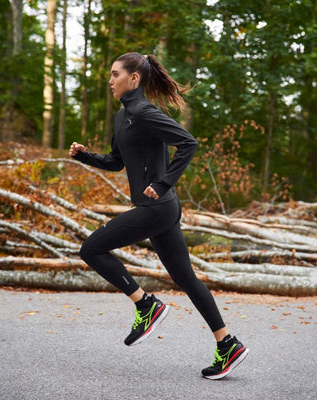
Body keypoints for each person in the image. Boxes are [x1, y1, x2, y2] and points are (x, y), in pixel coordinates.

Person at [69, 52, 249, 380]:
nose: (110, 80)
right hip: (159, 209)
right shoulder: (123, 117)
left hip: (157, 207)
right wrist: (86, 157)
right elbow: (116, 161)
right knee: (186, 278)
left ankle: (146, 305)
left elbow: (188, 143)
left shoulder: (144, 112)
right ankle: (228, 344)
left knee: (91, 249)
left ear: (133, 79)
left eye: (115, 74)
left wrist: (162, 181)